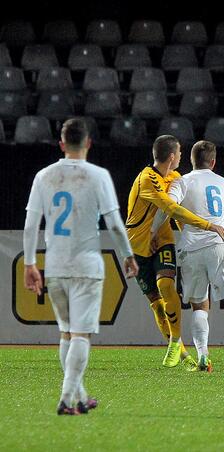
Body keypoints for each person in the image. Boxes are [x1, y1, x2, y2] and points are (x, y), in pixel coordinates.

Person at [23, 118, 139, 415]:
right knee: (81, 335)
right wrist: (128, 255)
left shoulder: (43, 176)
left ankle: (80, 397)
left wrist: (30, 264)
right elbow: (113, 222)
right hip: (87, 266)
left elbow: (31, 224)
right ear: (88, 143)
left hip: (57, 265)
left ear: (61, 144)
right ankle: (65, 399)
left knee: (66, 333)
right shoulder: (98, 175)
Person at [126, 135, 224, 369]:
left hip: (162, 240)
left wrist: (187, 234)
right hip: (137, 245)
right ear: (172, 156)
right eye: (180, 153)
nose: (182, 156)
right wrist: (208, 224)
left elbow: (176, 211)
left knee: (166, 286)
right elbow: (170, 207)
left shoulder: (175, 178)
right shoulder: (147, 179)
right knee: (156, 305)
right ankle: (184, 355)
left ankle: (174, 342)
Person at [150, 141, 224, 373]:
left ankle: (203, 355)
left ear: (191, 161)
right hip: (219, 245)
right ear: (213, 162)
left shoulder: (181, 181)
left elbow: (167, 207)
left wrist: (154, 232)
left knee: (199, 306)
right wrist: (220, 225)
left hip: (191, 248)